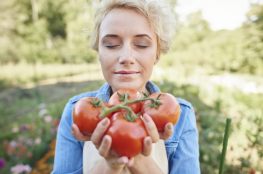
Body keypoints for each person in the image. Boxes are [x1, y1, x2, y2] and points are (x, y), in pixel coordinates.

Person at [52, 0, 200, 173]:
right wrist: (109, 166)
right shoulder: (76, 111)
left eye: (142, 44)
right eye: (111, 45)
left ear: (157, 54)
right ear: (99, 52)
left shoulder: (181, 115)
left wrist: (139, 160)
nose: (126, 57)